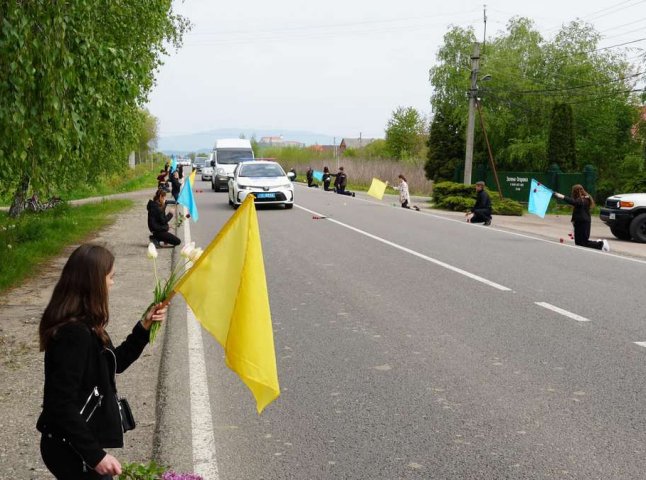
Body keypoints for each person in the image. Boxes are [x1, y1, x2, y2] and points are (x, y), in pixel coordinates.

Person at [37, 244, 168, 479]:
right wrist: (95, 456)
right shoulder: (73, 333)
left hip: (75, 440)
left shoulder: (86, 324)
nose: (112, 283)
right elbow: (60, 403)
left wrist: (143, 328)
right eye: (110, 277)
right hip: (66, 445)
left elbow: (113, 363)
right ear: (93, 282)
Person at [554, 184, 609, 252]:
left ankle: (601, 244)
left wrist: (562, 196)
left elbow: (574, 202)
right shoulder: (581, 199)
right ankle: (598, 243)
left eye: (573, 192)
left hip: (584, 223)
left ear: (576, 192)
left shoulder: (585, 199)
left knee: (584, 242)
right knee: (578, 243)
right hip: (578, 223)